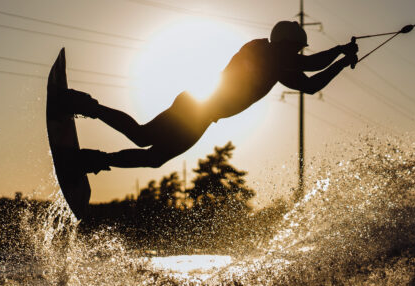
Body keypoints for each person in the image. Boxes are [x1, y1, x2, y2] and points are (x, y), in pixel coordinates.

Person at [63, 21, 359, 174]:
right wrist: (340, 52)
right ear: (285, 43)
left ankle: (93, 158)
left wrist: (343, 61)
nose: (298, 53)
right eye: (296, 48)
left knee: (151, 155)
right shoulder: (261, 50)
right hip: (197, 107)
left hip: (201, 114)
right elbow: (309, 66)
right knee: (143, 139)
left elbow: (310, 85)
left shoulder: (280, 67)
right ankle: (85, 106)